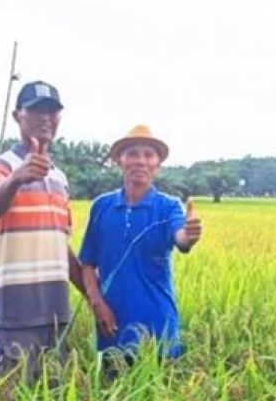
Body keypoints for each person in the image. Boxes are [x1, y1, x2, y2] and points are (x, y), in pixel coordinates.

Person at [0, 80, 86, 379]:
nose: (45, 118)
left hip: (56, 311)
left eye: (52, 111)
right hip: (17, 311)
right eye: (36, 110)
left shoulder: (59, 178)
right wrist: (16, 179)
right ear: (17, 116)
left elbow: (60, 245)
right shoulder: (2, 166)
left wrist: (92, 296)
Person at [78, 125, 202, 373]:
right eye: (133, 153)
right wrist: (97, 304)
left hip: (158, 324)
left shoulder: (168, 207)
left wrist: (189, 235)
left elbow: (181, 239)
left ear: (158, 164)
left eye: (149, 155)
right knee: (111, 398)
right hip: (112, 325)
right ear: (119, 161)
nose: (141, 161)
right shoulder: (101, 207)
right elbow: (88, 263)